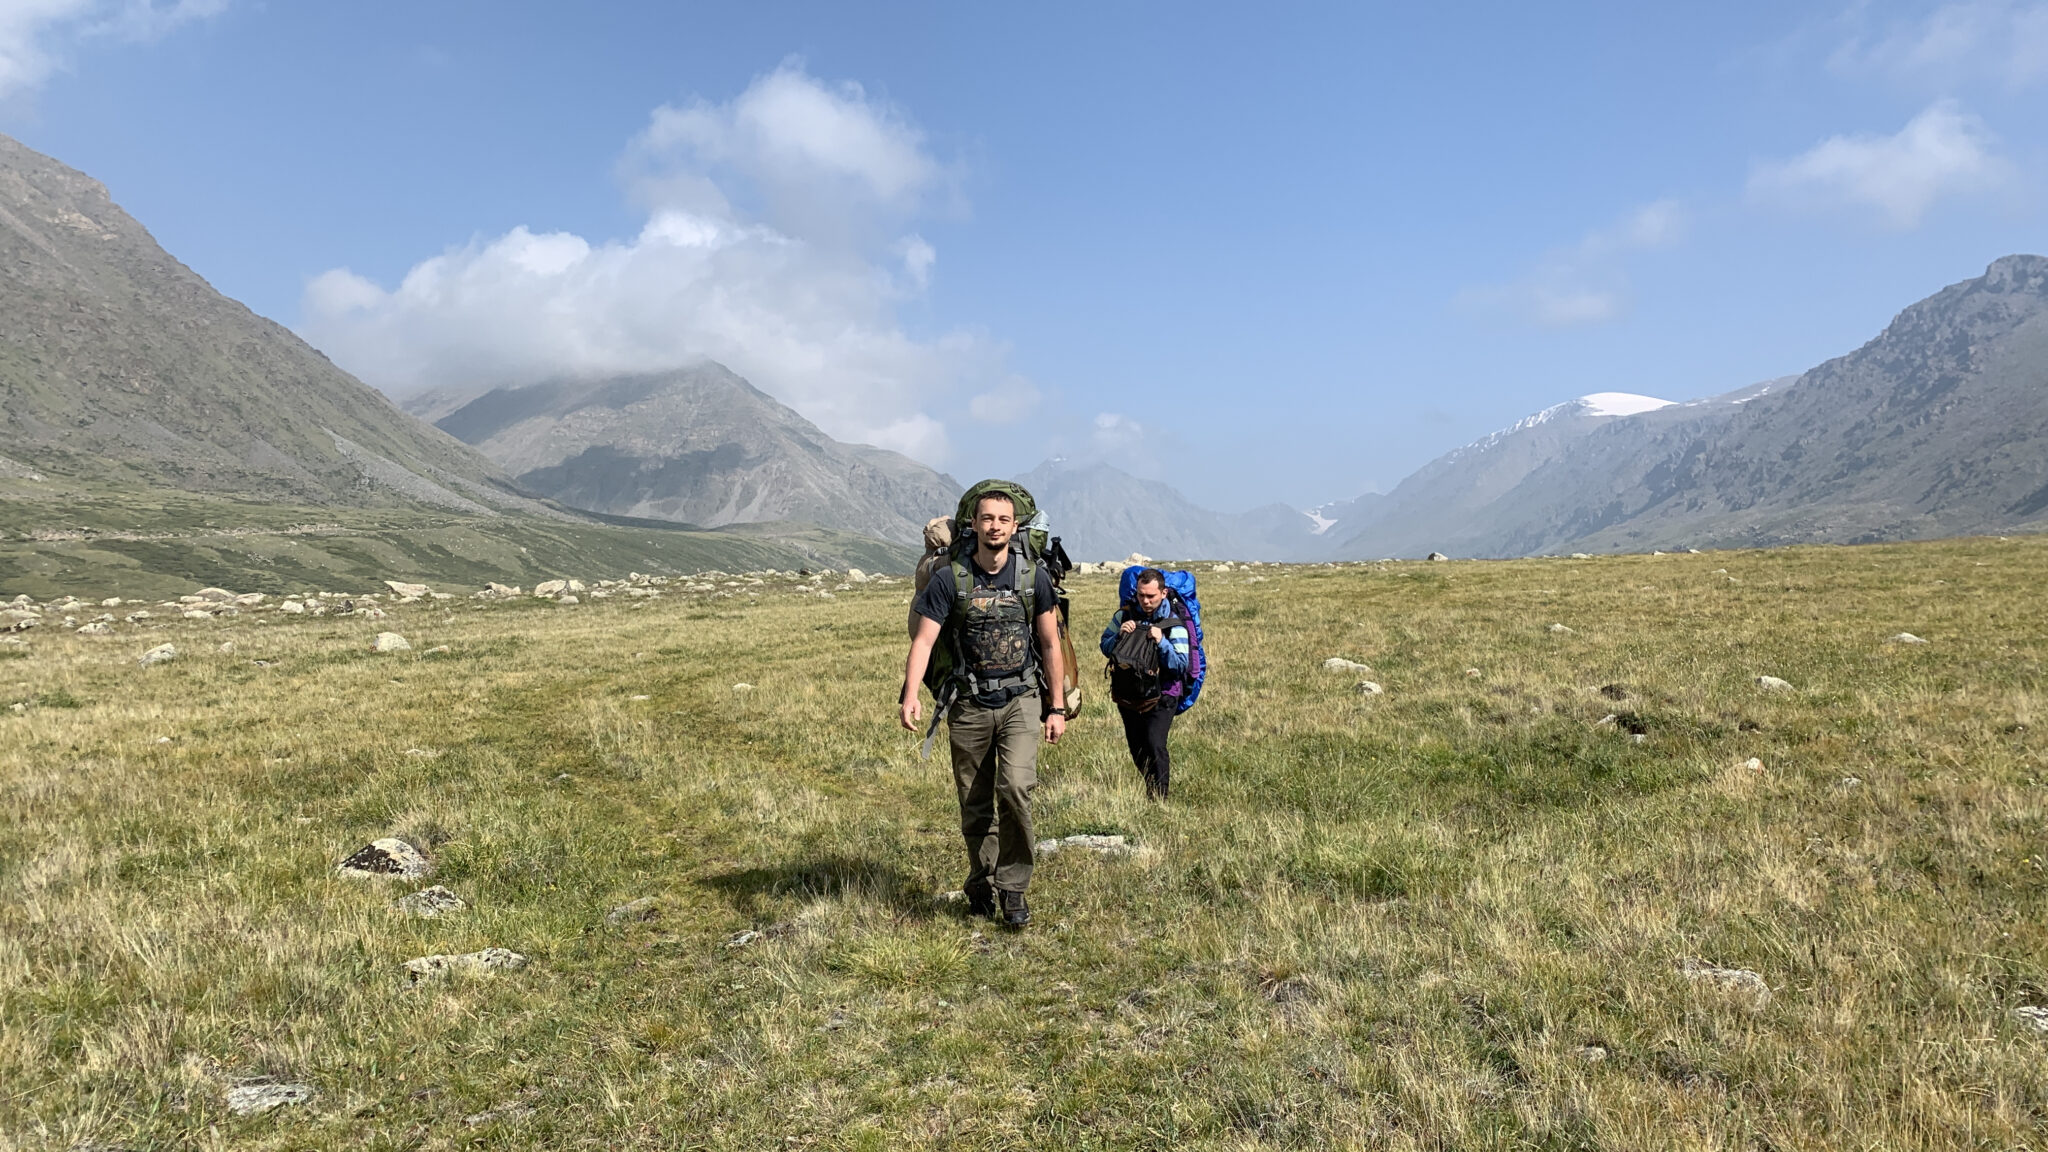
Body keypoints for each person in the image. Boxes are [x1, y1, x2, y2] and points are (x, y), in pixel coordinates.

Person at [900, 489, 1066, 928]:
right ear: (973, 525)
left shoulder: (1033, 578)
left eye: (1003, 519)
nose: (995, 526)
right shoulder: (949, 580)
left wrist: (1057, 707)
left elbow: (1050, 643)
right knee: (974, 803)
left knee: (1015, 789)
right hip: (968, 704)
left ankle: (1013, 888)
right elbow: (925, 640)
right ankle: (981, 878)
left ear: (1015, 528)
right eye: (987, 518)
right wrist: (911, 693)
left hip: (1021, 700)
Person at [1100, 568, 1190, 800]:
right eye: (1141, 595)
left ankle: (1159, 800)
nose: (1146, 601)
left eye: (1151, 596)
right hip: (1129, 694)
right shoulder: (1124, 616)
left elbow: (1180, 665)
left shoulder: (1174, 623)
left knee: (1154, 744)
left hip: (1164, 694)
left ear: (1163, 593)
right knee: (1137, 748)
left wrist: (1161, 642)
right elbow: (1104, 646)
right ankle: (1152, 786)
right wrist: (1119, 636)